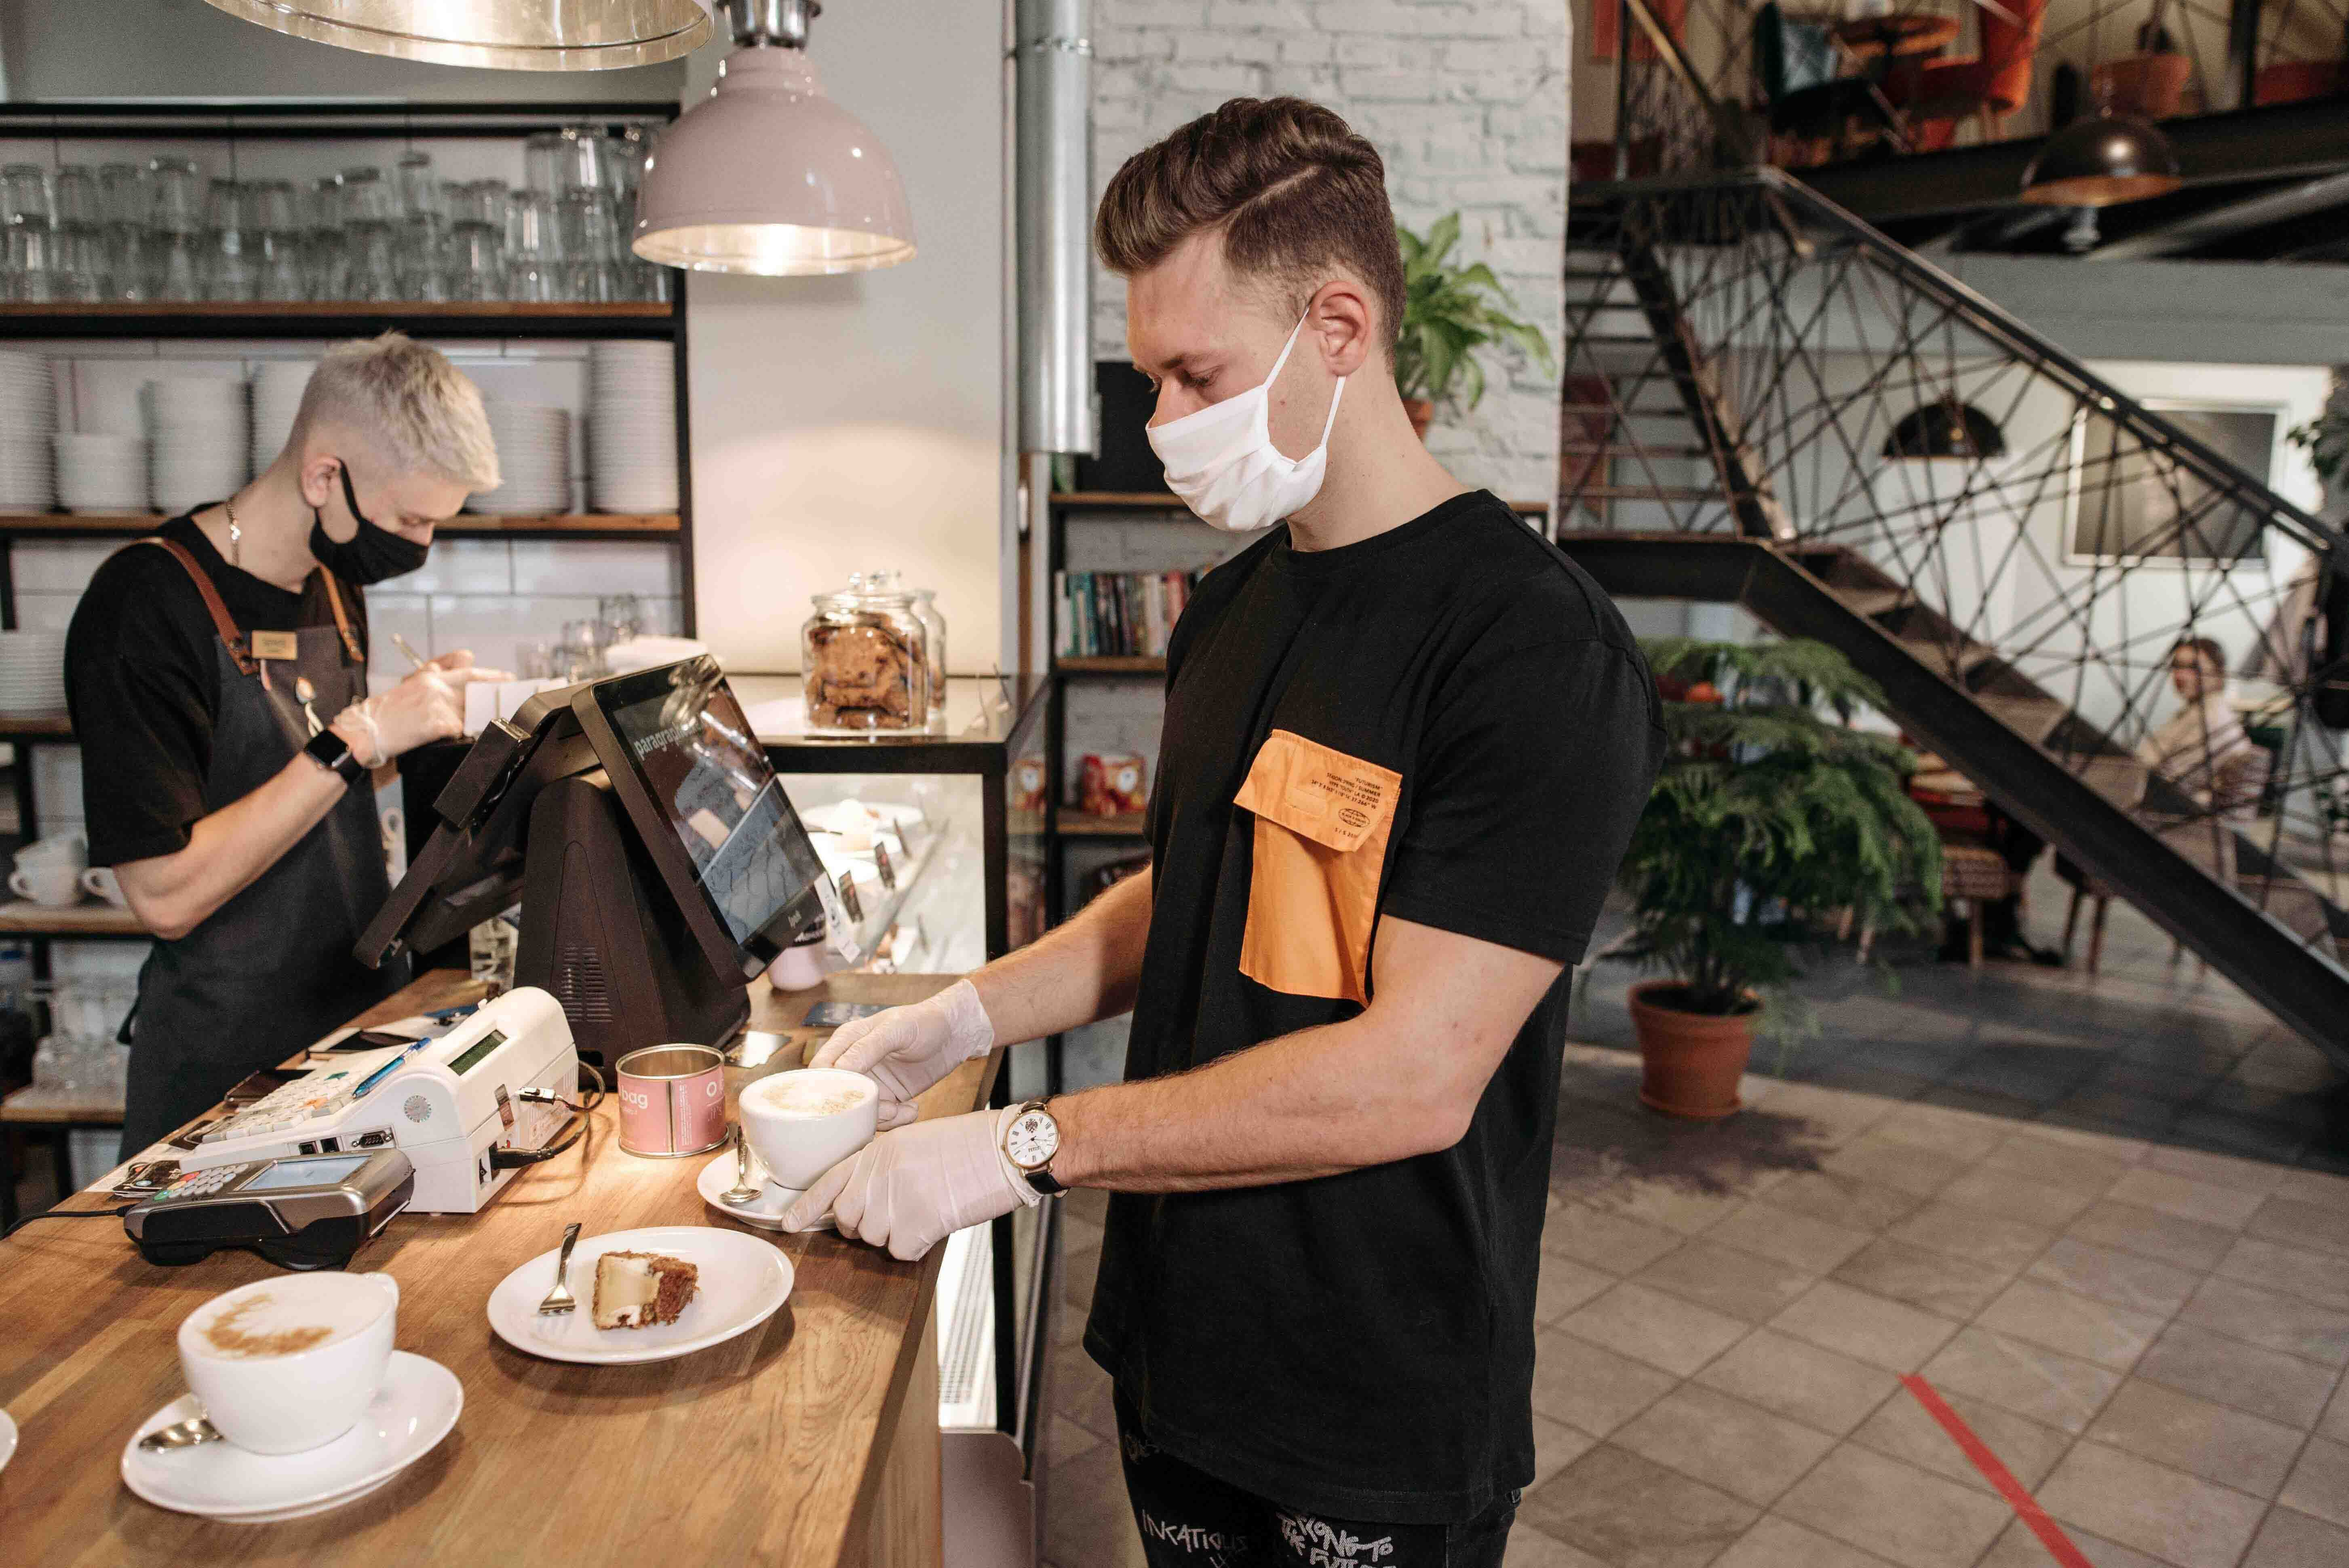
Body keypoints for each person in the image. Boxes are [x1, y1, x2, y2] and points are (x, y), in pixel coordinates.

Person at [786, 98, 1665, 1564]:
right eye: (1151, 379)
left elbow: (1413, 1079)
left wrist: (1026, 1144)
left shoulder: (1530, 651)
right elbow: (1189, 891)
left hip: (1369, 1399)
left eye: (1197, 374)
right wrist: (959, 1017)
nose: (1165, 425)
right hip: (1179, 1345)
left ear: (1338, 326)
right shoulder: (1238, 608)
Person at [65, 333, 507, 1155]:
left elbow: (304, 803)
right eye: (410, 517)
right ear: (321, 473)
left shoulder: (332, 585)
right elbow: (165, 894)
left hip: (355, 1032)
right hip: (225, 1078)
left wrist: (428, 727)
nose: (421, 544)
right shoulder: (143, 605)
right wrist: (358, 739)